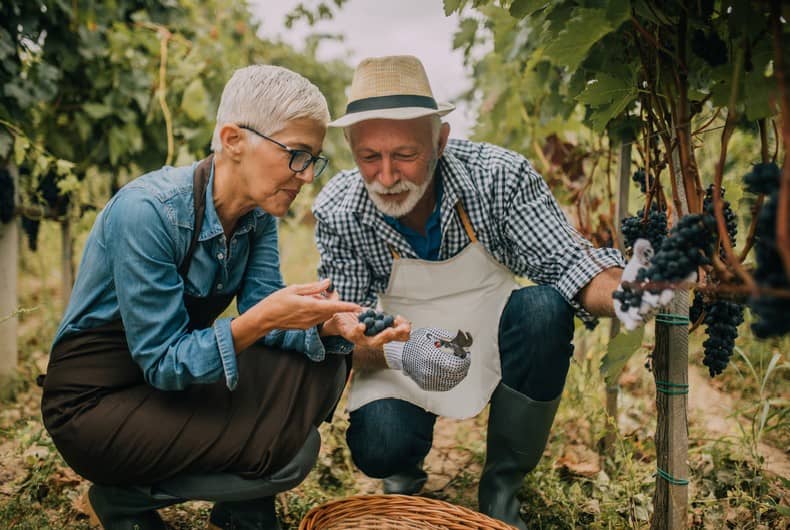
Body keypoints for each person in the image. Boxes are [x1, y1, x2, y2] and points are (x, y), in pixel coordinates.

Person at [39, 65, 414, 530]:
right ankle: (123, 498)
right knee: (287, 456)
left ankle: (240, 508)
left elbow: (262, 303)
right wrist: (263, 319)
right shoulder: (149, 213)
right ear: (234, 140)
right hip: (96, 403)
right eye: (296, 155)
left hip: (157, 388)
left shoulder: (258, 218)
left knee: (317, 374)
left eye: (313, 160)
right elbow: (164, 361)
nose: (306, 176)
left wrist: (327, 324)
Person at [312, 55, 630, 529]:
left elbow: (572, 264)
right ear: (349, 146)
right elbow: (346, 328)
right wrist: (393, 350)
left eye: (405, 155)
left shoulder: (497, 177)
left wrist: (629, 293)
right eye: (368, 157)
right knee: (379, 447)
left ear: (439, 141)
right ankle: (403, 469)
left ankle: (502, 487)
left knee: (543, 308)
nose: (386, 175)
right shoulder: (341, 208)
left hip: (490, 331)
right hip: (402, 344)